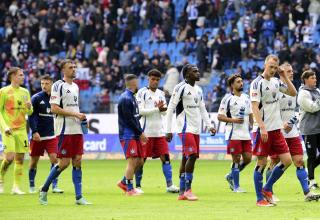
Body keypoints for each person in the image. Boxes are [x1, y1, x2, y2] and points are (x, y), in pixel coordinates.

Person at [39, 59, 91, 205]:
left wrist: (80, 117)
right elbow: (54, 108)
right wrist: (75, 114)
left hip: (76, 128)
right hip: (64, 129)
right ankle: (44, 190)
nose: (74, 69)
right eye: (70, 67)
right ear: (63, 70)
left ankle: (79, 197)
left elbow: (74, 107)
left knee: (78, 160)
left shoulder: (75, 86)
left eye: (75, 67)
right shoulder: (58, 85)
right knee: (63, 163)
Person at [265, 64, 320, 202]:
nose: (292, 73)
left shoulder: (293, 90)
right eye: (288, 71)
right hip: (277, 131)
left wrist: (292, 121)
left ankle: (307, 193)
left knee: (299, 161)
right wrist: (279, 123)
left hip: (292, 131)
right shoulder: (275, 87)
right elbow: (269, 108)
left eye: (292, 71)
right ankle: (268, 190)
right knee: (275, 161)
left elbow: (297, 110)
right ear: (281, 72)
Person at [250, 55, 297, 207]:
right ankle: (259, 199)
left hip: (276, 130)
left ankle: (267, 188)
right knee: (262, 163)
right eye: (270, 67)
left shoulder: (277, 82)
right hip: (263, 130)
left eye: (275, 68)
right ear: (265, 65)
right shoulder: (257, 84)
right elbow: (254, 107)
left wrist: (284, 76)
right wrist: (262, 127)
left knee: (287, 161)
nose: (272, 70)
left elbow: (293, 92)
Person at [165, 64, 216, 201]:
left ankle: (182, 193)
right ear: (187, 74)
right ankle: (188, 189)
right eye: (195, 71)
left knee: (186, 158)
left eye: (198, 71)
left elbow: (203, 109)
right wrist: (168, 130)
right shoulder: (180, 88)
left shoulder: (199, 90)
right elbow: (170, 109)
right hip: (184, 128)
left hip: (196, 129)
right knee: (192, 155)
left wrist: (209, 125)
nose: (198, 73)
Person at [134, 69, 179, 194]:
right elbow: (140, 111)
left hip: (159, 132)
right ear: (148, 79)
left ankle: (169, 185)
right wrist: (156, 109)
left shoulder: (161, 93)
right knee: (142, 160)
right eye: (153, 79)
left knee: (166, 157)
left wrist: (165, 109)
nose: (155, 82)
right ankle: (137, 186)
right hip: (146, 132)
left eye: (157, 80)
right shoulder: (142, 93)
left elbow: (164, 113)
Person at [28, 74, 63, 194]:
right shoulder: (36, 98)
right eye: (42, 83)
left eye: (47, 83)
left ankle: (54, 186)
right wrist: (34, 132)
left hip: (52, 135)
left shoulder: (56, 98)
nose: (44, 86)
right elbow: (31, 116)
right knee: (33, 162)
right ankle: (32, 186)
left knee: (54, 159)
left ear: (52, 84)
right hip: (37, 136)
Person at [217, 74, 253, 193]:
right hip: (233, 134)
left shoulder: (247, 97)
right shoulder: (227, 99)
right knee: (236, 159)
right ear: (232, 85)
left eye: (242, 81)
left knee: (248, 159)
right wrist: (234, 120)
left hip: (245, 134)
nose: (241, 83)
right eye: (238, 82)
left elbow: (250, 112)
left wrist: (252, 124)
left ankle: (230, 176)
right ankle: (236, 186)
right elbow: (220, 116)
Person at [0, 67, 33, 194]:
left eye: (23, 75)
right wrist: (4, 127)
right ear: (13, 76)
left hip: (21, 129)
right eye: (20, 75)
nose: (23, 77)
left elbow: (29, 112)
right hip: (8, 129)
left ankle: (16, 187)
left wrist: (29, 108)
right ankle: (1, 179)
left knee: (20, 158)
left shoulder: (25, 92)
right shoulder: (3, 91)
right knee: (9, 158)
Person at [117, 74, 148, 196]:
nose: (139, 84)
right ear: (134, 83)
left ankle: (124, 182)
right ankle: (129, 189)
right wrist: (140, 132)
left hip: (134, 134)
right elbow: (129, 120)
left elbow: (135, 118)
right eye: (138, 81)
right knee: (132, 161)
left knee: (139, 161)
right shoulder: (125, 98)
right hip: (127, 134)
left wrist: (140, 131)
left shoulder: (132, 97)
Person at [298, 70, 320, 190]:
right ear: (306, 80)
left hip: (319, 128)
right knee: (311, 156)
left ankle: (309, 170)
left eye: (315, 77)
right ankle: (311, 180)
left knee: (313, 158)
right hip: (309, 129)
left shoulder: (317, 91)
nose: (315, 79)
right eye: (312, 78)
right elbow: (312, 107)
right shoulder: (303, 93)